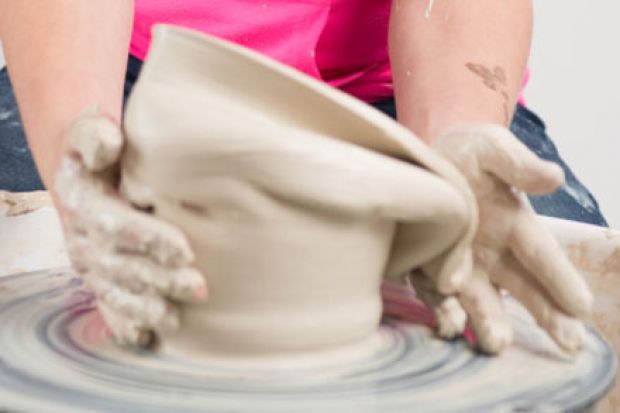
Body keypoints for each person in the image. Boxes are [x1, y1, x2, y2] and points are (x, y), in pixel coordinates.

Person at [0, 1, 599, 353]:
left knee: (556, 313)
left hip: (397, 86)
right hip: (138, 68)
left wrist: (451, 139)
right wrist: (76, 140)